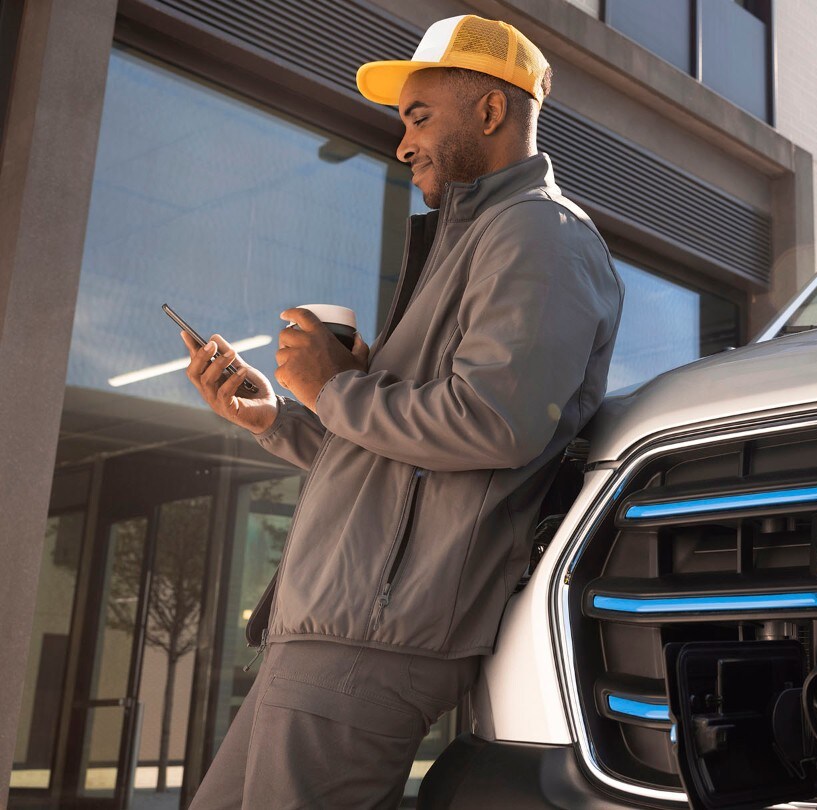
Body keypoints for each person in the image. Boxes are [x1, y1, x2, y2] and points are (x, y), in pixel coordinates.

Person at [180, 15, 623, 808]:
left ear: (490, 111)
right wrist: (278, 416)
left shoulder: (539, 235)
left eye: (419, 117)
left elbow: (494, 424)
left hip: (375, 637)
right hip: (337, 628)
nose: (403, 144)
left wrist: (335, 388)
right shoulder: (476, 240)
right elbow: (398, 466)